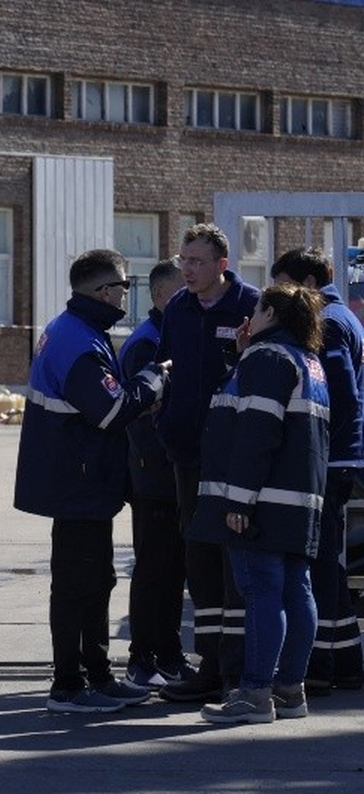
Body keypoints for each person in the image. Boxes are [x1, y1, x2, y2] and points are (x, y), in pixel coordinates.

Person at [14, 248, 170, 714]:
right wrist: (154, 380)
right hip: (77, 483)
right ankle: (69, 685)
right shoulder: (79, 342)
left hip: (81, 481)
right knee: (79, 584)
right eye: (122, 286)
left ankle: (97, 676)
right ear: (104, 291)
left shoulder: (76, 330)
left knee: (95, 580)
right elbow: (111, 409)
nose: (126, 294)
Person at [190, 283, 329, 724]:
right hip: (298, 500)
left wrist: (240, 500)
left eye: (257, 309)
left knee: (261, 592)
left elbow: (255, 433)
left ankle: (254, 693)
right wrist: (242, 356)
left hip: (262, 500)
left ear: (271, 313)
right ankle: (289, 690)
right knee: (296, 590)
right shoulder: (307, 361)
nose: (250, 317)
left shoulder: (268, 358)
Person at [155, 223, 261, 703]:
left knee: (234, 559)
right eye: (183, 260)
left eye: (196, 261)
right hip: (187, 456)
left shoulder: (251, 305)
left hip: (234, 458)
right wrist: (166, 423)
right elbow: (165, 368)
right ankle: (210, 665)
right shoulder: (179, 307)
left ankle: (240, 669)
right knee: (198, 558)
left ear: (222, 265)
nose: (187, 270)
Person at [269, 247, 364, 694]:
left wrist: (318, 445)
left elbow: (340, 396)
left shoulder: (325, 322)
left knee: (320, 563)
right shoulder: (342, 316)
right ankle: (343, 658)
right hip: (339, 458)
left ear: (307, 284)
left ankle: (322, 663)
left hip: (330, 459)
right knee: (328, 562)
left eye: (285, 286)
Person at [120, 258, 191, 689]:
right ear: (163, 295)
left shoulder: (166, 334)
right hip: (154, 476)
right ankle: (144, 658)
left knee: (171, 569)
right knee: (154, 570)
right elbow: (145, 418)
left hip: (166, 474)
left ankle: (166, 653)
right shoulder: (148, 343)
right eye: (184, 287)